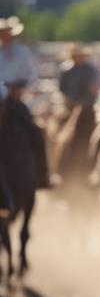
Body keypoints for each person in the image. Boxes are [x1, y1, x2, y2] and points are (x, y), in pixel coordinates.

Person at [0, 16, 51, 189]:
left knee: (35, 132)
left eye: (7, 34)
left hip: (15, 101)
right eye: (2, 34)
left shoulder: (22, 53)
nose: (5, 37)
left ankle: (42, 176)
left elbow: (31, 76)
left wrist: (20, 87)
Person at [58, 44, 100, 113]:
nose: (80, 58)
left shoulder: (90, 69)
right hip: (71, 103)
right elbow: (62, 87)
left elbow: (94, 86)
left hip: (87, 104)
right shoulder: (66, 70)